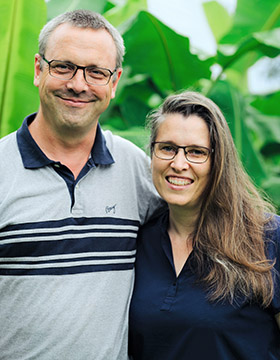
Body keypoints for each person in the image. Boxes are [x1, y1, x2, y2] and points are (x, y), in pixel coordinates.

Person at [0, 10, 162, 360]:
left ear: (114, 81)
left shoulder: (136, 170)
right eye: (63, 67)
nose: (78, 84)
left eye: (96, 72)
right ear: (38, 69)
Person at [129, 91, 280, 360]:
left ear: (218, 162)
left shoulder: (267, 237)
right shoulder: (138, 241)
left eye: (196, 152)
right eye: (167, 148)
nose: (178, 164)